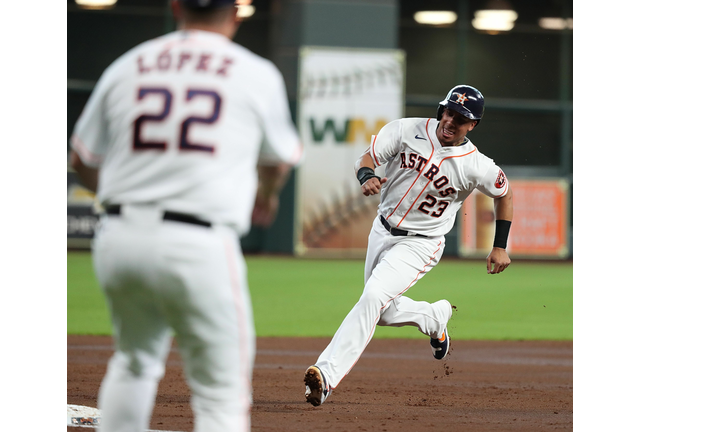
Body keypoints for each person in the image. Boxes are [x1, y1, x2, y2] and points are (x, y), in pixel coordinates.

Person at [69, 0, 302, 430]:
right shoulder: (253, 71)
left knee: (134, 363)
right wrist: (266, 195)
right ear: (236, 12)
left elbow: (81, 157)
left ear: (176, 7)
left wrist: (122, 191)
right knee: (221, 396)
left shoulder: (130, 63)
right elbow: (279, 160)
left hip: (119, 237)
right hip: (198, 243)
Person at [303, 85, 513, 406]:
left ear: (473, 125)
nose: (451, 121)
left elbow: (504, 194)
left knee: (373, 297)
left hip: (421, 244)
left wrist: (500, 245)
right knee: (383, 312)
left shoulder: (477, 165)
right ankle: (433, 318)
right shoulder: (406, 130)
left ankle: (326, 374)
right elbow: (368, 157)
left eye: (461, 118)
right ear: (442, 110)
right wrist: (366, 175)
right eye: (449, 112)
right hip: (381, 229)